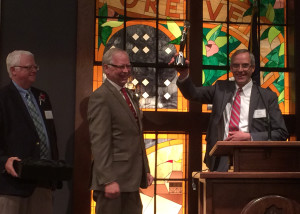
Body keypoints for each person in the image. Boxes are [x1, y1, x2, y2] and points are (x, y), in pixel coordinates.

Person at [171, 49, 289, 171]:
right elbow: (193, 94)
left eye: (245, 66)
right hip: (220, 158)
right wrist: (184, 74)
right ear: (231, 68)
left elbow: (281, 133)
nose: (240, 70)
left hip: (254, 158)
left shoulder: (267, 97)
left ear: (252, 68)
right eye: (236, 66)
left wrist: (249, 137)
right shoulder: (220, 89)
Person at [87, 48, 154, 214]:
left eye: (128, 66)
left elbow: (137, 136)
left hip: (131, 178)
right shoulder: (101, 97)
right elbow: (100, 141)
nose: (125, 71)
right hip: (113, 179)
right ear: (106, 68)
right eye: (120, 67)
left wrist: (145, 170)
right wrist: (108, 180)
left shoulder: (129, 94)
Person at [0, 50, 59, 213]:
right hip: (13, 186)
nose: (34, 70)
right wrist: (4, 160)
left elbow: (51, 136)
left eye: (35, 66)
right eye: (29, 67)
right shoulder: (3, 98)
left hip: (43, 182)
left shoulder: (42, 97)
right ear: (13, 70)